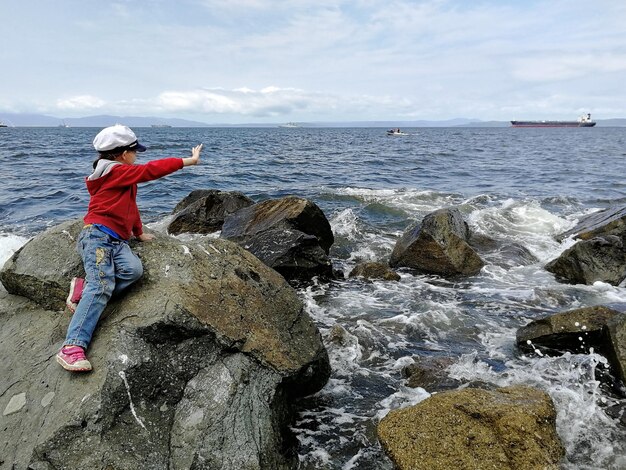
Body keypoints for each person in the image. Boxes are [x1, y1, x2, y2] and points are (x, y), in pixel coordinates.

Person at [56, 124, 203, 372]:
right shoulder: (115, 171)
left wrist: (138, 232)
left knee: (133, 271)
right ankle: (72, 346)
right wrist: (188, 160)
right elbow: (150, 170)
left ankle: (82, 292)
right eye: (135, 152)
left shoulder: (121, 174)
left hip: (117, 240)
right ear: (124, 153)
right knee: (102, 285)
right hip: (97, 237)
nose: (137, 157)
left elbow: (130, 206)